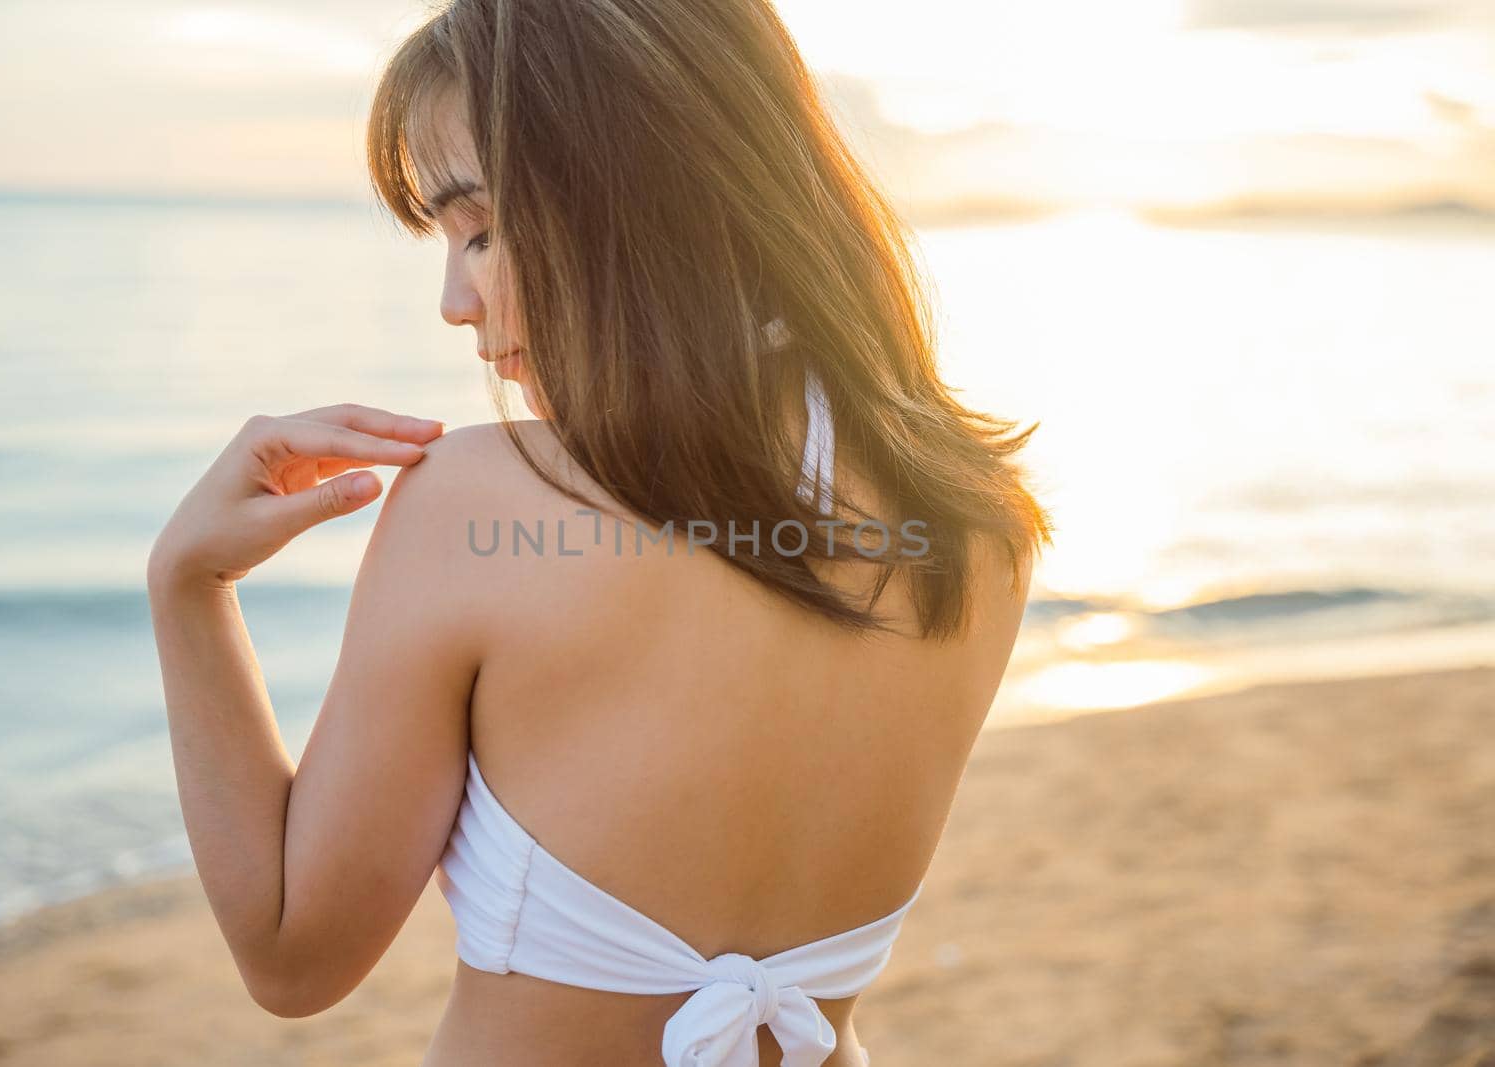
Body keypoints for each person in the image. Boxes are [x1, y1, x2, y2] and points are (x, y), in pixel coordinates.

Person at [146, 1, 1053, 1064]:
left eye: (481, 229)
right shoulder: (975, 524)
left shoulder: (480, 500)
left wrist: (189, 583)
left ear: (647, 187)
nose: (454, 300)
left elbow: (293, 957)